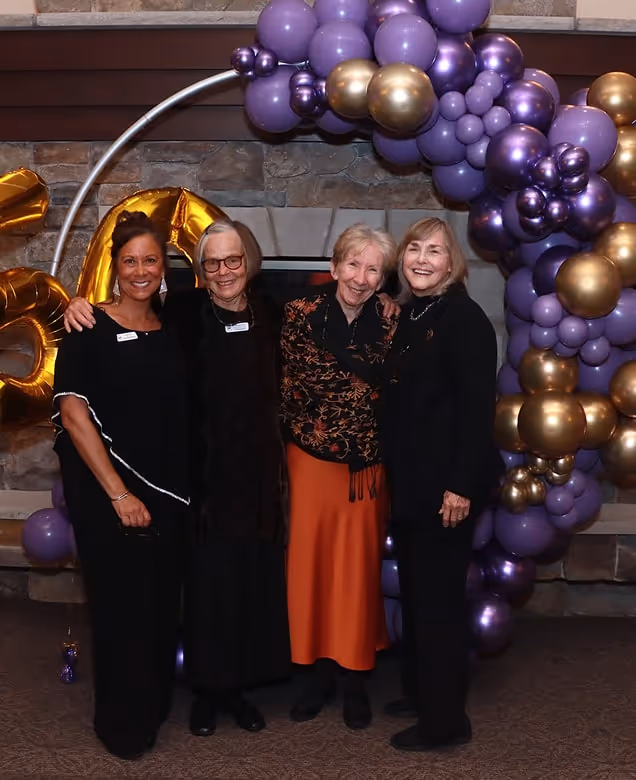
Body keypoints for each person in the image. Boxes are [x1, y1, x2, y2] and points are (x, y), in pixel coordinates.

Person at [63, 218, 291, 738]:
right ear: (198, 272)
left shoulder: (275, 313)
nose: (224, 271)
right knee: (206, 588)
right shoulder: (182, 312)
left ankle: (240, 686)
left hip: (257, 480)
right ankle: (207, 693)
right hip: (196, 479)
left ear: (249, 263)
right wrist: (80, 304)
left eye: (233, 260)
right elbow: (125, 315)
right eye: (212, 263)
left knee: (250, 583)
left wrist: (383, 302)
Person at [53, 211, 190, 760]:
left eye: (149, 261)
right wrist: (118, 494)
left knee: (158, 604)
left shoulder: (176, 327)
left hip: (166, 492)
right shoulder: (87, 325)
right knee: (119, 609)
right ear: (115, 268)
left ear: (163, 269)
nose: (140, 270)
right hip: (108, 494)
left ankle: (152, 704)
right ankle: (121, 724)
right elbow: (72, 413)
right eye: (129, 261)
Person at [381, 217, 503, 752]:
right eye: (414, 249)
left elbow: (479, 411)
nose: (423, 259)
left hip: (446, 488)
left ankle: (445, 720)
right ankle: (424, 691)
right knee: (417, 595)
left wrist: (460, 486)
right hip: (411, 484)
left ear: (452, 264)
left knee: (438, 604)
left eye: (435, 251)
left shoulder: (465, 319)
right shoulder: (412, 313)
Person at [281, 223, 398, 730]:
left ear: (382, 278)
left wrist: (373, 397)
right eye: (353, 263)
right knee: (309, 571)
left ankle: (354, 678)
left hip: (366, 471)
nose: (361, 276)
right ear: (334, 266)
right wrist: (370, 395)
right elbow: (318, 381)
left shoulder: (395, 321)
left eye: (373, 268)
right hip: (310, 461)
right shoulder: (298, 313)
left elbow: (394, 388)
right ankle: (312, 677)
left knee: (356, 574)